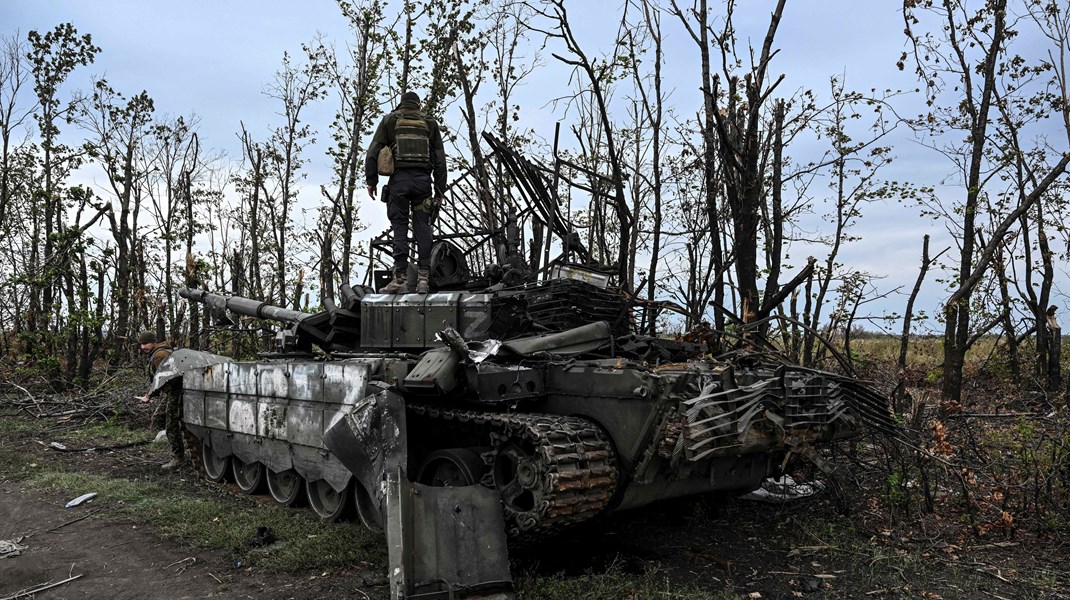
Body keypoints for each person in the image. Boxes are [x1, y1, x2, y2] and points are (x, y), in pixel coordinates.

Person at [365, 91, 447, 293]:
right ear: (418, 105)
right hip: (422, 183)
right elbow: (440, 159)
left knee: (399, 226)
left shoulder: (390, 121)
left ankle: (399, 279)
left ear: (401, 104)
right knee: (422, 227)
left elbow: (372, 152)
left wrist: (371, 181)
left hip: (399, 183)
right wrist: (439, 189)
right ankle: (423, 279)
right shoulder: (430, 123)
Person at [136, 330, 184, 470]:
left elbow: (163, 378)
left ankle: (179, 457)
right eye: (141, 344)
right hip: (173, 391)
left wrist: (149, 395)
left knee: (171, 425)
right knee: (159, 417)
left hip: (176, 391)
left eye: (146, 343)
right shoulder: (161, 351)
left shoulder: (159, 355)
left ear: (153, 342)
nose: (143, 347)